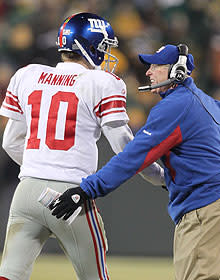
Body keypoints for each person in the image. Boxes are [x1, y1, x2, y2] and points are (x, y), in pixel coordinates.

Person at [0, 12, 164, 280]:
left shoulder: (27, 75)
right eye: (103, 47)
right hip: (72, 195)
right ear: (89, 47)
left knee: (9, 274)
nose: (107, 53)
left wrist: (41, 166)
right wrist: (158, 176)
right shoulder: (102, 83)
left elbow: (10, 142)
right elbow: (125, 148)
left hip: (26, 191)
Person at [51, 44, 220, 280]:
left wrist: (85, 190)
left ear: (178, 70)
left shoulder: (176, 106)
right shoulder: (207, 102)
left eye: (156, 66)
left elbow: (133, 157)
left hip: (205, 209)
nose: (149, 72)